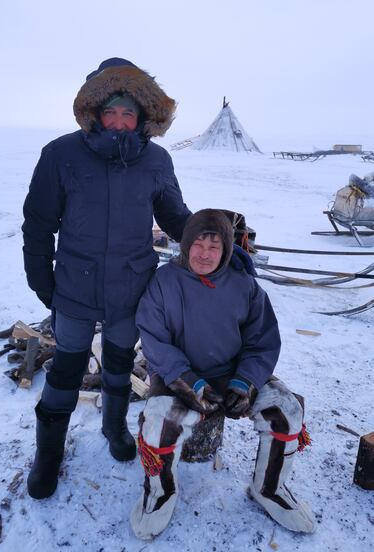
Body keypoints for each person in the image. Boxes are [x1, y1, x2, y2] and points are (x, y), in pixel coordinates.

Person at [22, 57, 191, 499]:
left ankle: (114, 430)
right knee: (65, 371)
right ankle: (48, 457)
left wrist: (213, 241)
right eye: (110, 111)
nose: (118, 122)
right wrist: (43, 281)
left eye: (128, 113)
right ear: (95, 112)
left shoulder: (156, 161)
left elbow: (174, 216)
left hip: (131, 287)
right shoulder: (61, 154)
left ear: (142, 118)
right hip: (74, 287)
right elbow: (38, 224)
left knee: (118, 365)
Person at [130, 209, 315, 540]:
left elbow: (263, 341)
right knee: (157, 422)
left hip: (234, 377)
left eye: (214, 246)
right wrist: (188, 381)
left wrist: (245, 382)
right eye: (198, 243)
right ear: (186, 245)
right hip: (181, 380)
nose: (204, 253)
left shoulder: (244, 285)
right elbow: (153, 339)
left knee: (286, 411)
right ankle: (161, 492)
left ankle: (268, 487)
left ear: (227, 249)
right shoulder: (164, 282)